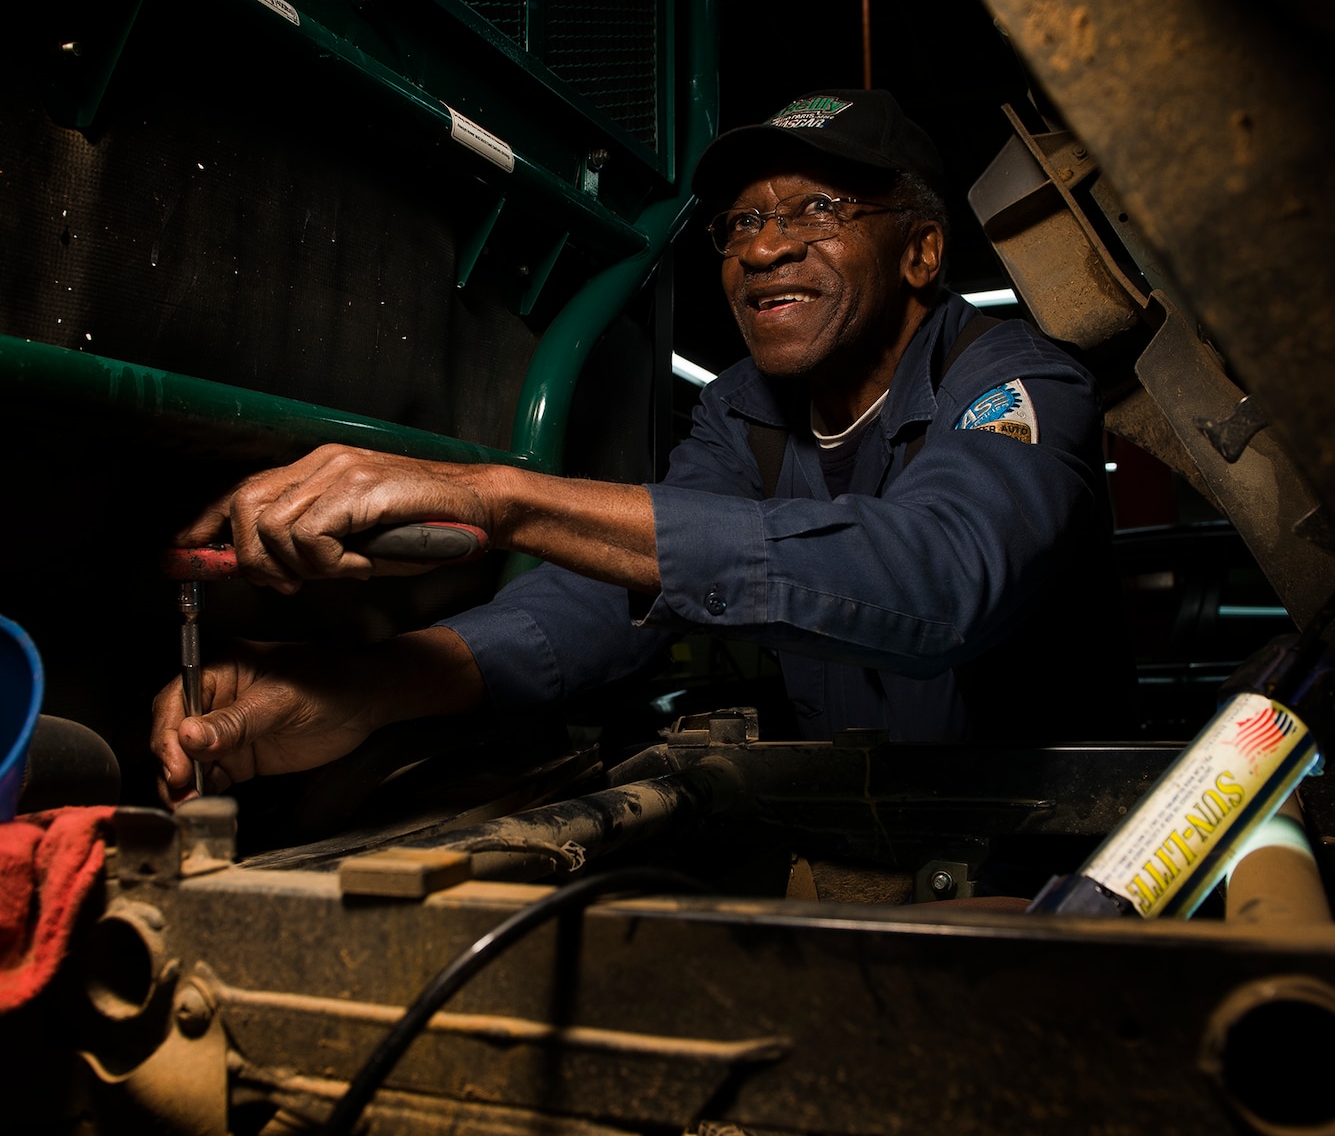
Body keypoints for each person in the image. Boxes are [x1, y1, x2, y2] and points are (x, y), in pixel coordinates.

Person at [151, 88, 1127, 804]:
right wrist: (361, 690)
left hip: (1036, 842)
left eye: (819, 210)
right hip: (861, 838)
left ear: (921, 251)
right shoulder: (745, 411)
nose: (761, 248)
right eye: (743, 221)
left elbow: (940, 580)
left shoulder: (1014, 380)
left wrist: (501, 497)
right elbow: (611, 596)